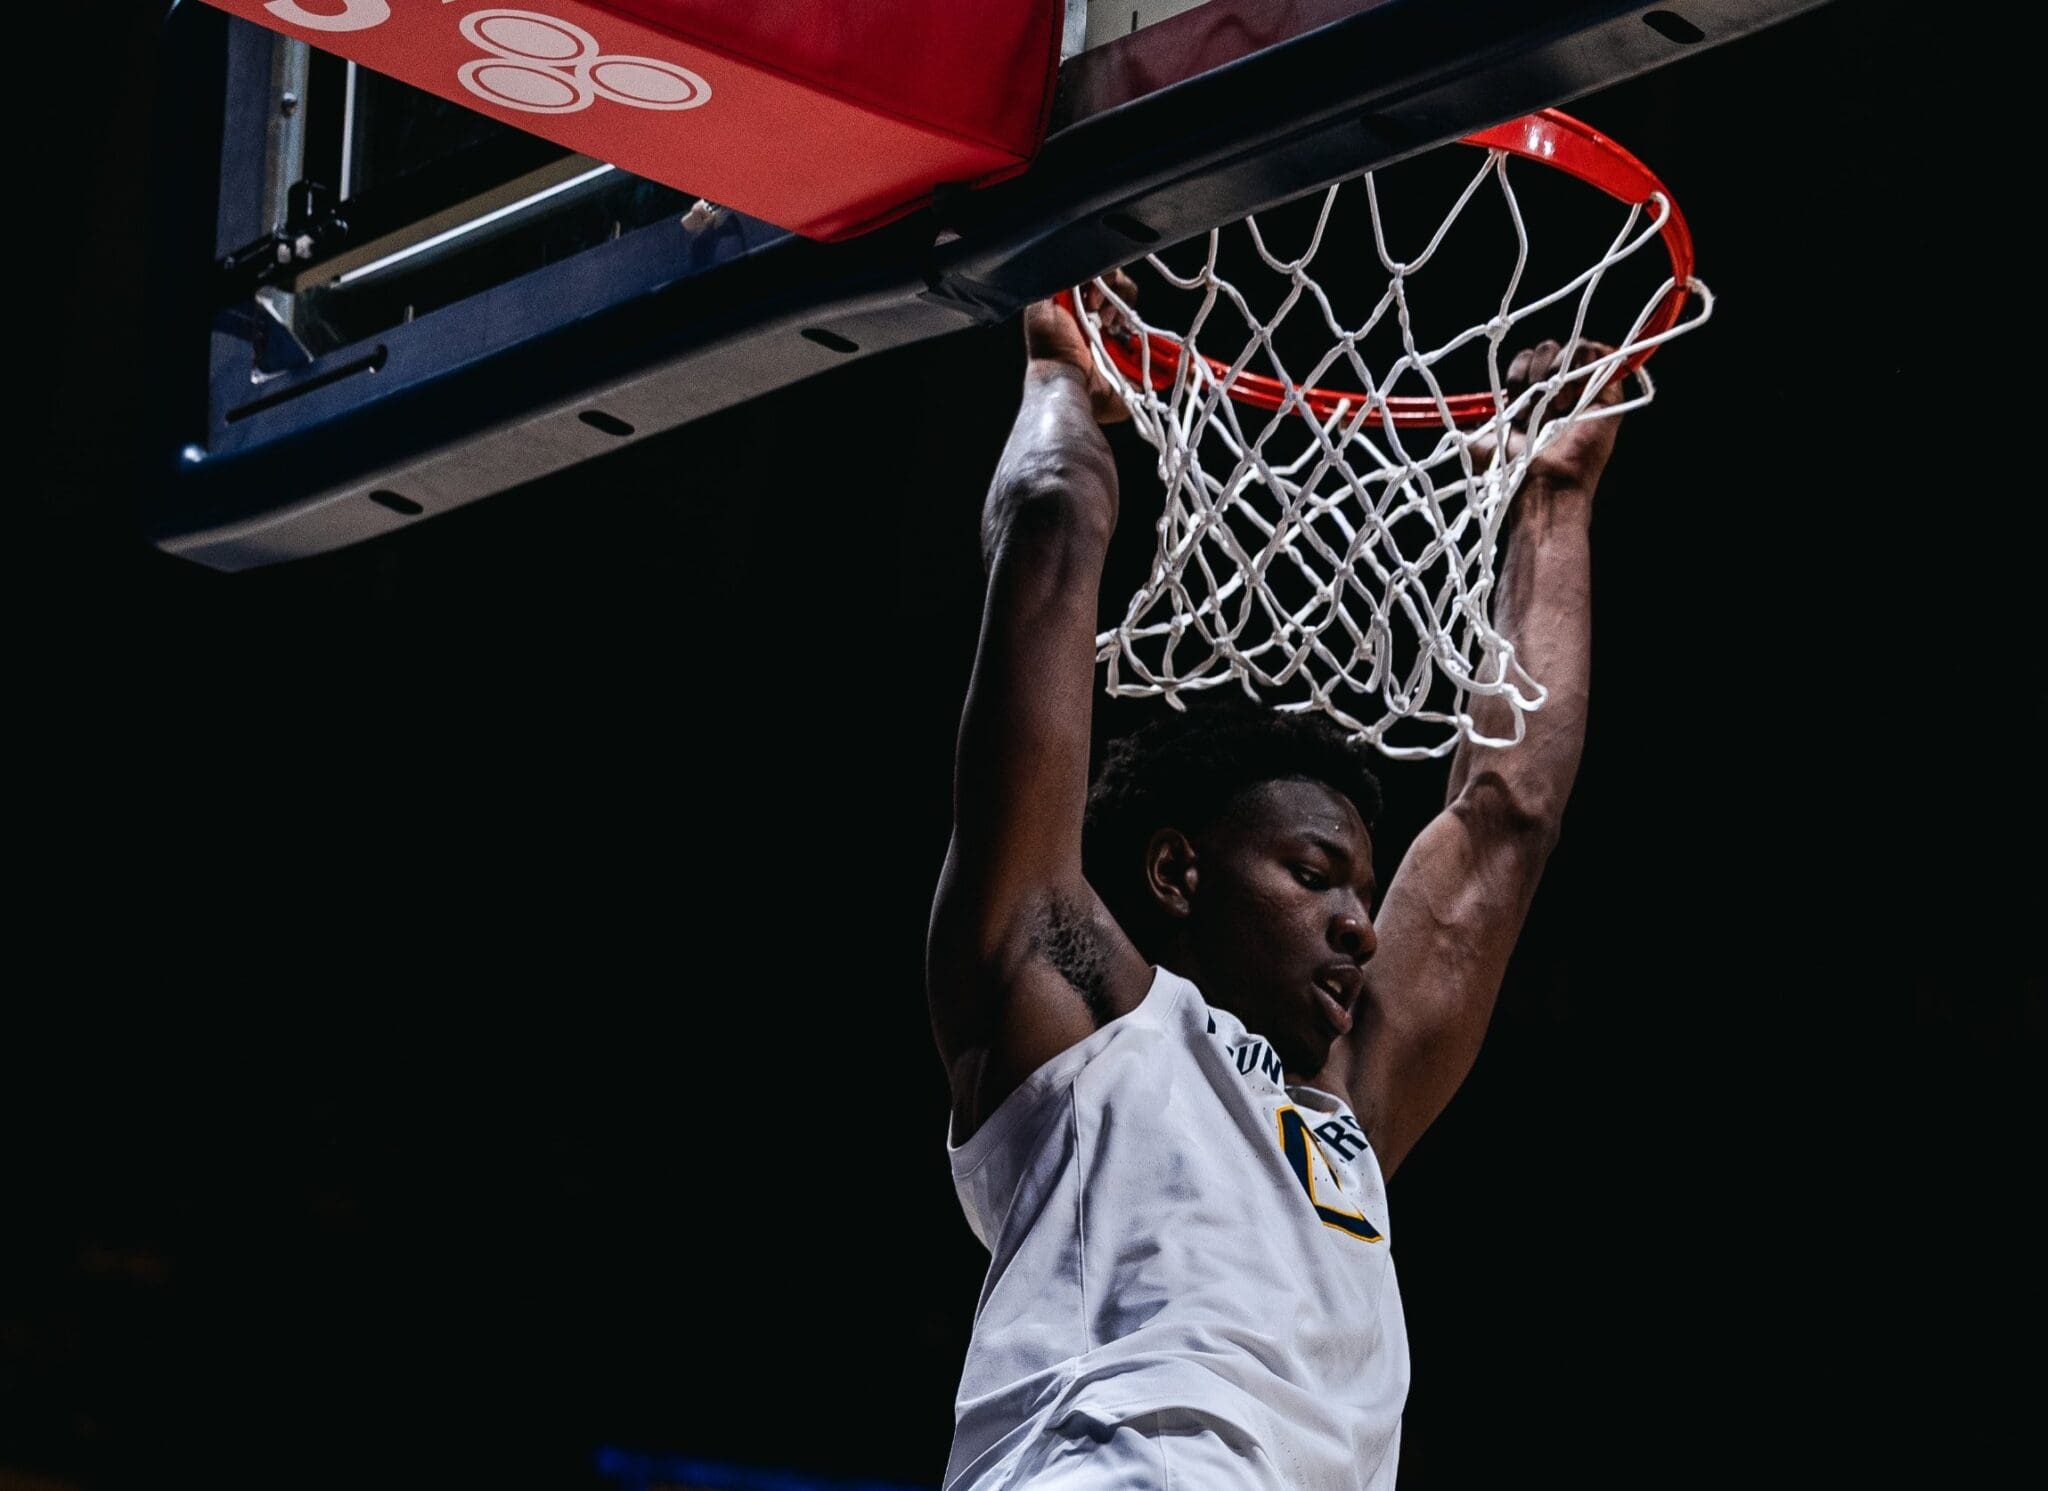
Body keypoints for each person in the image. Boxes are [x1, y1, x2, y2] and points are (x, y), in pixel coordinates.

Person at [926, 273, 1626, 1488]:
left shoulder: (1344, 1110)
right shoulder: (1073, 1013)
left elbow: (1505, 816)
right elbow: (1045, 536)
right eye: (1314, 875)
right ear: (1178, 871)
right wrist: (1058, 380)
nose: (1360, 923)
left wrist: (1553, 499)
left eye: (1362, 887)